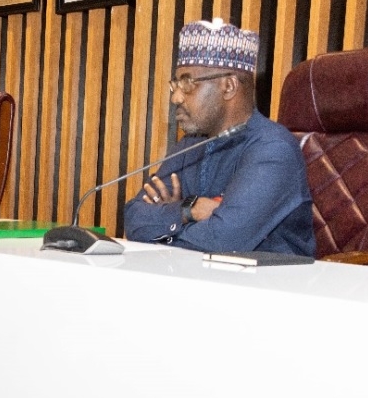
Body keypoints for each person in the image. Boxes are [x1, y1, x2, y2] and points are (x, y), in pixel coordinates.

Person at [123, 18, 315, 256]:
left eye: (188, 83)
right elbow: (133, 219)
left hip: (267, 288)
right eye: (176, 85)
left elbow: (222, 242)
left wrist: (161, 229)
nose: (176, 98)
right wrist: (187, 210)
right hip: (196, 283)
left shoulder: (273, 149)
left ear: (229, 86)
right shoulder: (190, 146)